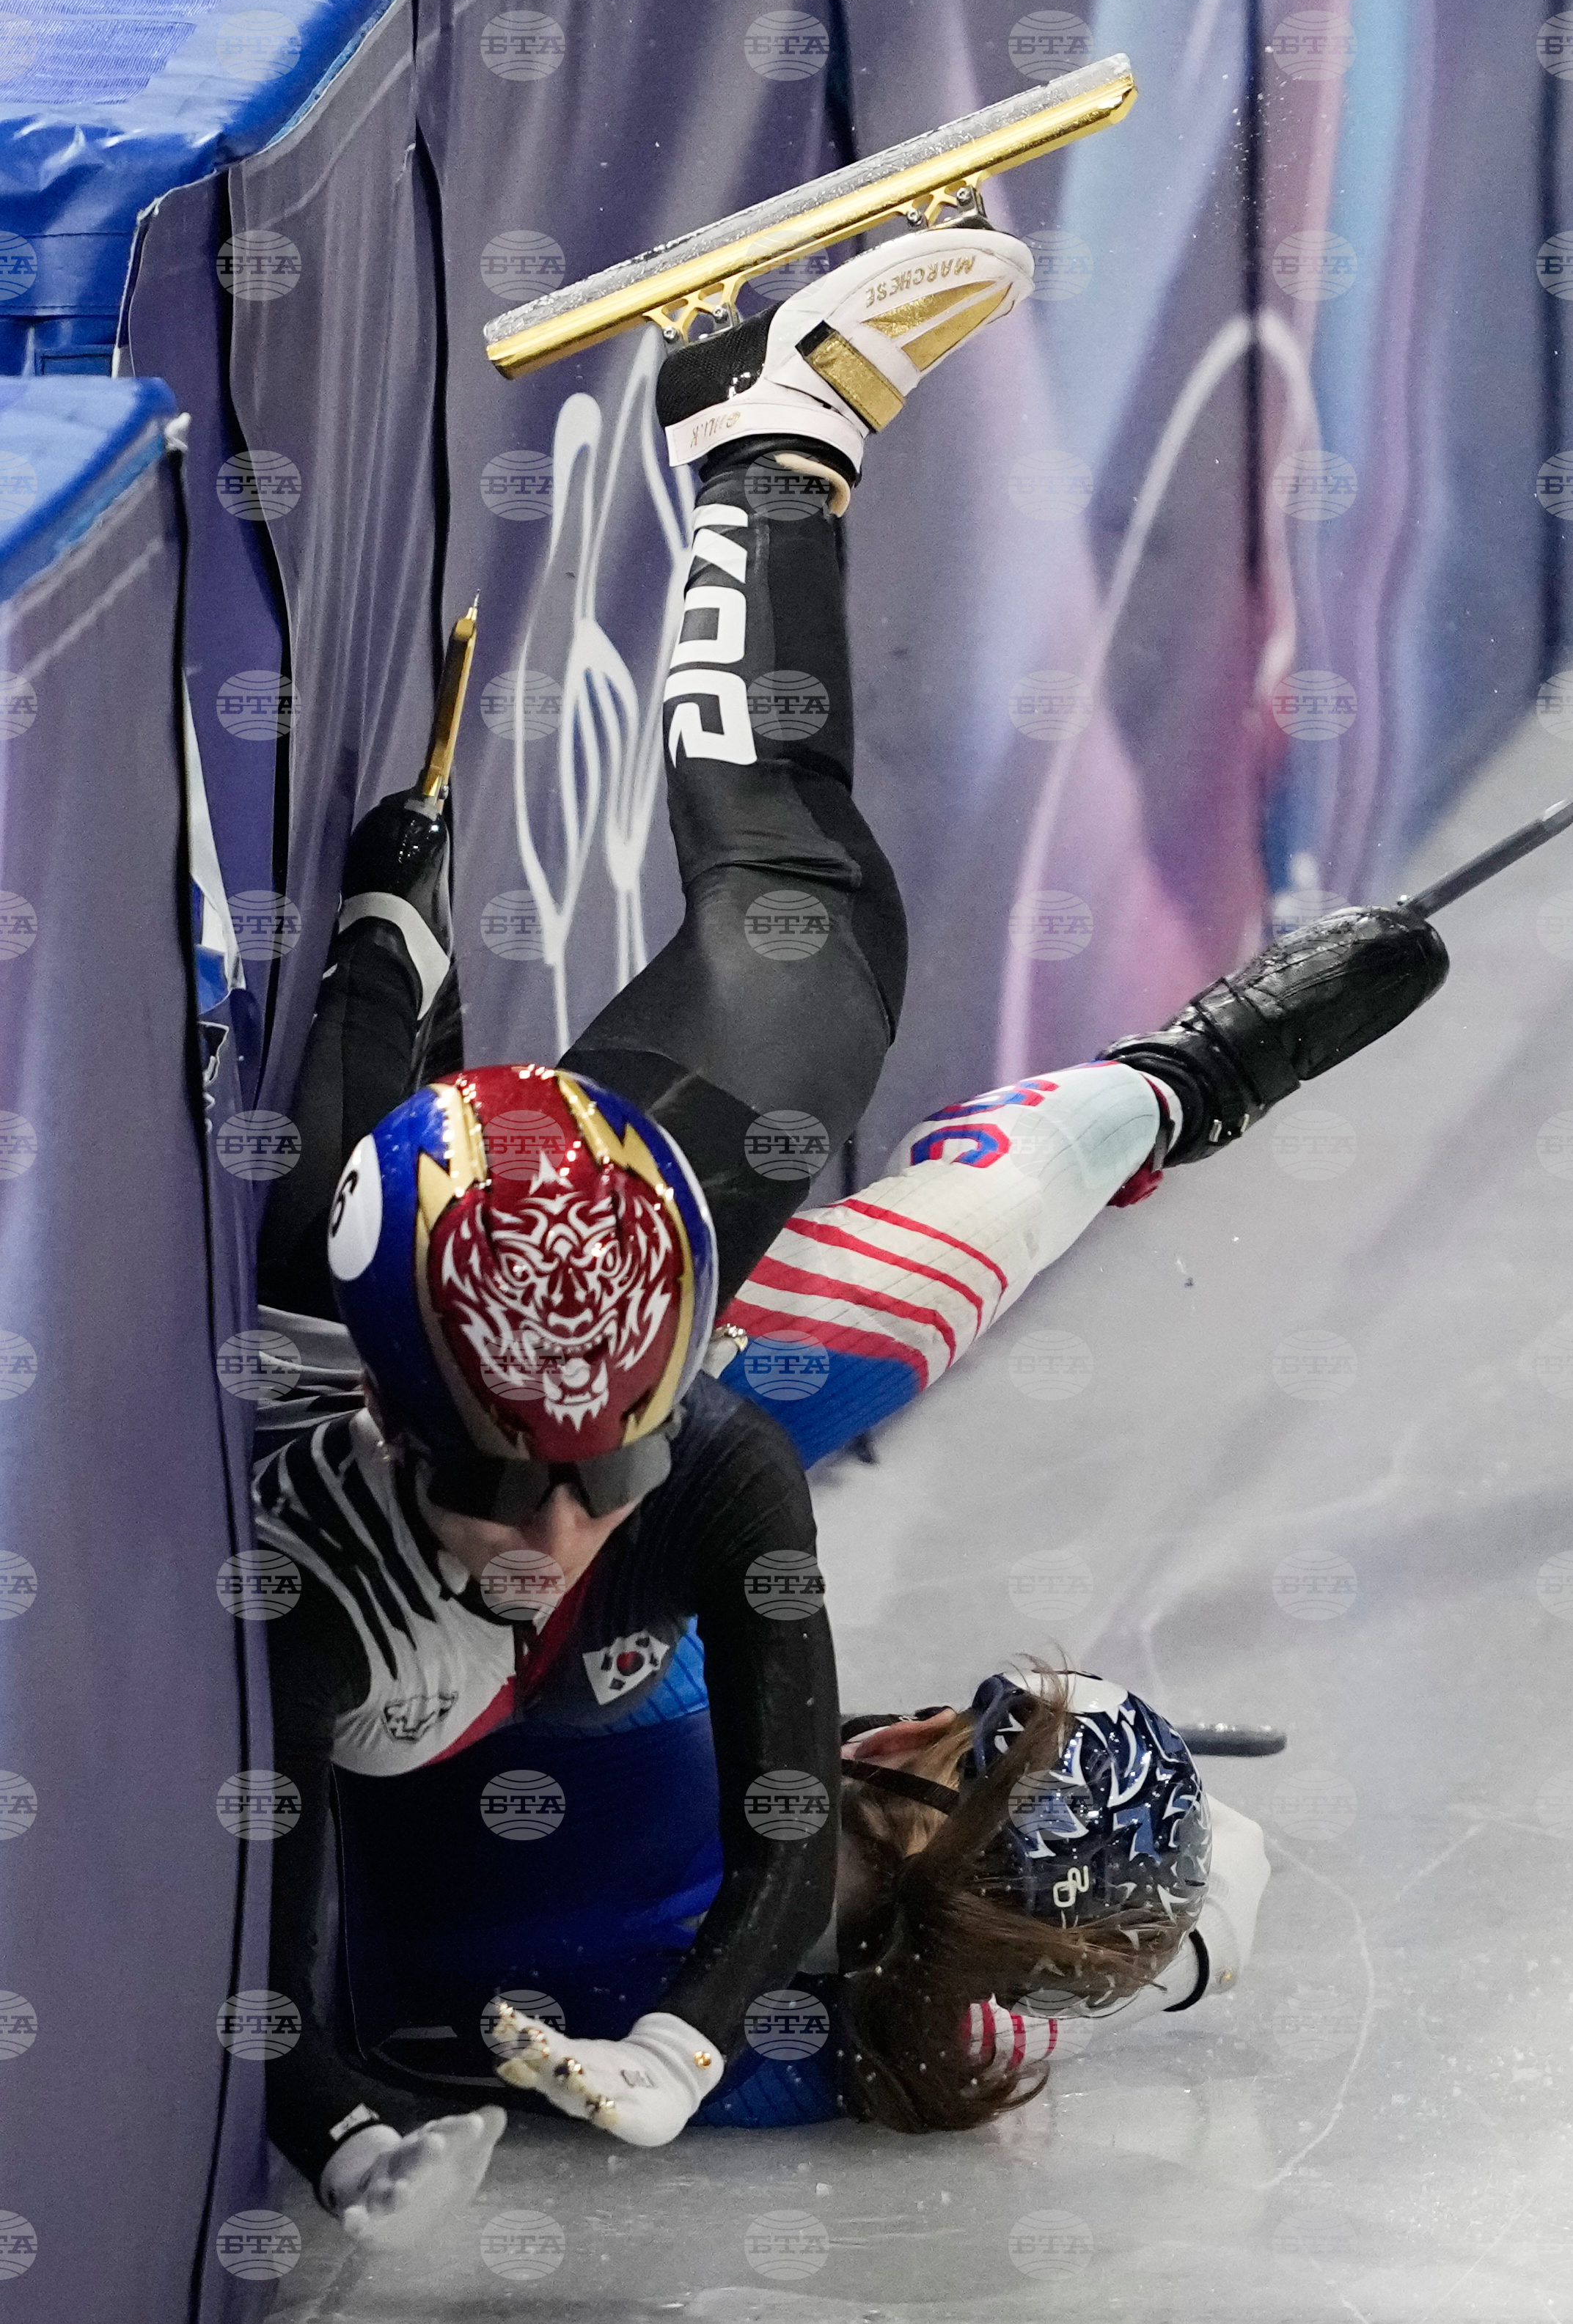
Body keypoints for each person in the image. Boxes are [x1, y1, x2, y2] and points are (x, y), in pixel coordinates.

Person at [249, 218, 1449, 2245]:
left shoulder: (647, 1523)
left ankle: (768, 449)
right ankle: (761, 478)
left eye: (945, 1752)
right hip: (476, 1540)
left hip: (448, 1452)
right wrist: (1139, 1918)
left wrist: (1175, 1088)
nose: (903, 1718)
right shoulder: (856, 2024)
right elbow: (1014, 1941)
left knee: (814, 1018)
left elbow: (872, 1319)